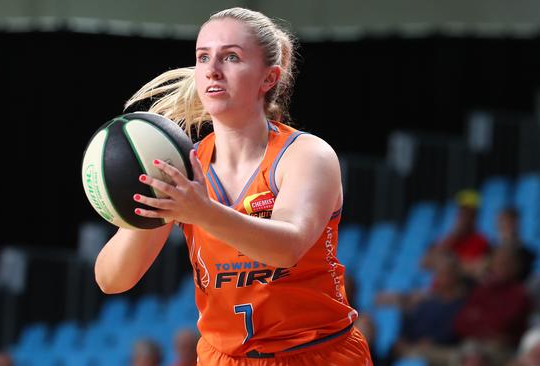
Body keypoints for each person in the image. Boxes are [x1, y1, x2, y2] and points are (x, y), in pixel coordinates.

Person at [94, 7, 372, 366]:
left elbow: (287, 248)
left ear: (268, 78)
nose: (212, 69)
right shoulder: (184, 167)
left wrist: (202, 212)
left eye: (231, 57)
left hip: (316, 354)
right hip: (223, 357)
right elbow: (112, 279)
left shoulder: (306, 155)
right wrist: (153, 205)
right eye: (203, 57)